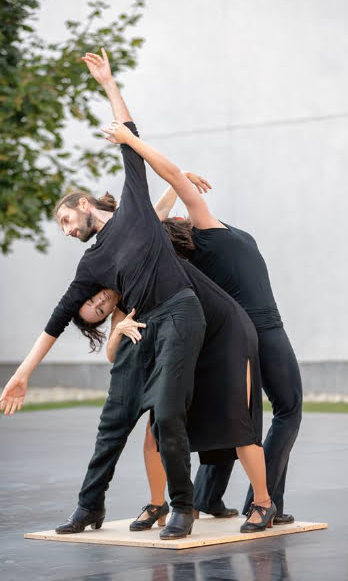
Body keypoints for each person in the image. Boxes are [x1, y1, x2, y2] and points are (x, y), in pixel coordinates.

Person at [0, 49, 207, 540]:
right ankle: (87, 508)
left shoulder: (135, 203)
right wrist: (22, 374)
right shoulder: (91, 262)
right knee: (113, 421)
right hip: (138, 326)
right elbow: (57, 319)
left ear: (83, 204)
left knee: (168, 413)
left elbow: (129, 137)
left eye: (66, 220)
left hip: (180, 312)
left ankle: (183, 506)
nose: (67, 230)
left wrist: (109, 84)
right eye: (63, 228)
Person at [101, 121, 303, 523]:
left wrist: (173, 189)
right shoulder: (208, 231)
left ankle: (208, 497)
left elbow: (152, 219)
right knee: (287, 410)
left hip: (235, 337)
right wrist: (132, 142)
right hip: (263, 329)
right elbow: (169, 185)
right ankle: (266, 502)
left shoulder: (190, 254)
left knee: (230, 415)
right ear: (181, 224)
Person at [66, 255, 277, 534]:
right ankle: (158, 504)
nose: (101, 302)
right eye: (99, 310)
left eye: (94, 300)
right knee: (157, 426)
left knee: (236, 420)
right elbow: (112, 354)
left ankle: (263, 503)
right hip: (188, 340)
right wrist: (118, 331)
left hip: (224, 332)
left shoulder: (134, 265)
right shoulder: (122, 306)